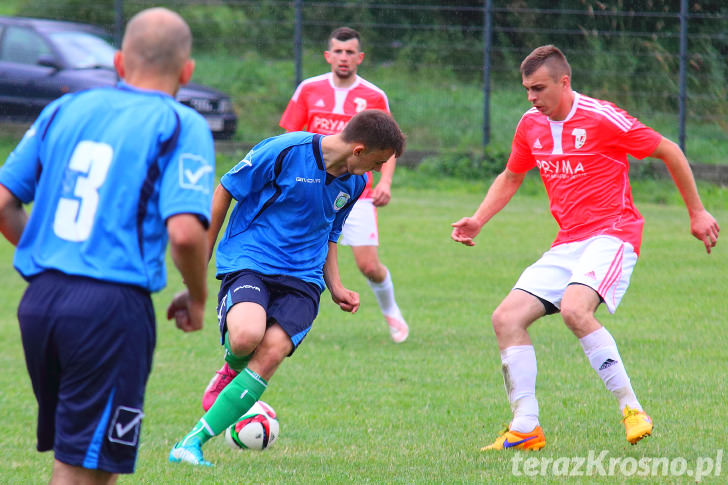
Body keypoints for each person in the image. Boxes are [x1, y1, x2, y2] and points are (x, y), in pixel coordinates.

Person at [451, 45, 719, 451]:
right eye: (526, 89)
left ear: (564, 82)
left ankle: (632, 409)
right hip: (568, 243)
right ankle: (525, 427)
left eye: (539, 88)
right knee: (505, 318)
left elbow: (669, 150)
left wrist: (697, 212)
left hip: (614, 234)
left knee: (576, 310)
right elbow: (511, 176)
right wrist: (478, 219)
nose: (532, 97)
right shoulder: (530, 125)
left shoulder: (601, 118)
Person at [0, 8, 214, 483]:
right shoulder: (181, 124)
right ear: (187, 71)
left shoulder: (63, 108)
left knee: (79, 459)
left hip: (40, 302)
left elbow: (3, 203)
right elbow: (184, 232)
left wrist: (52, 251)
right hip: (108, 309)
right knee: (85, 470)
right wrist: (197, 296)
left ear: (119, 63)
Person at [168, 109, 405, 466]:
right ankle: (231, 368)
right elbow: (225, 189)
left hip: (304, 279)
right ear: (358, 150)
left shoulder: (355, 183)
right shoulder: (283, 151)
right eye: (377, 161)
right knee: (246, 337)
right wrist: (203, 254)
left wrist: (336, 285)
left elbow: (330, 232)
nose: (376, 170)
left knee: (271, 352)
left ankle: (191, 443)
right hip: (251, 260)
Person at [279, 26, 409, 343]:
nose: (344, 57)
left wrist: (386, 183)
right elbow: (288, 139)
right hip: (312, 190)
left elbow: (388, 145)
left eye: (350, 52)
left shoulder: (374, 96)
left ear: (360, 57)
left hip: (357, 193)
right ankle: (285, 317)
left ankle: (391, 311)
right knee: (299, 252)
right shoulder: (308, 89)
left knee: (368, 265)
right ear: (328, 55)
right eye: (338, 51)